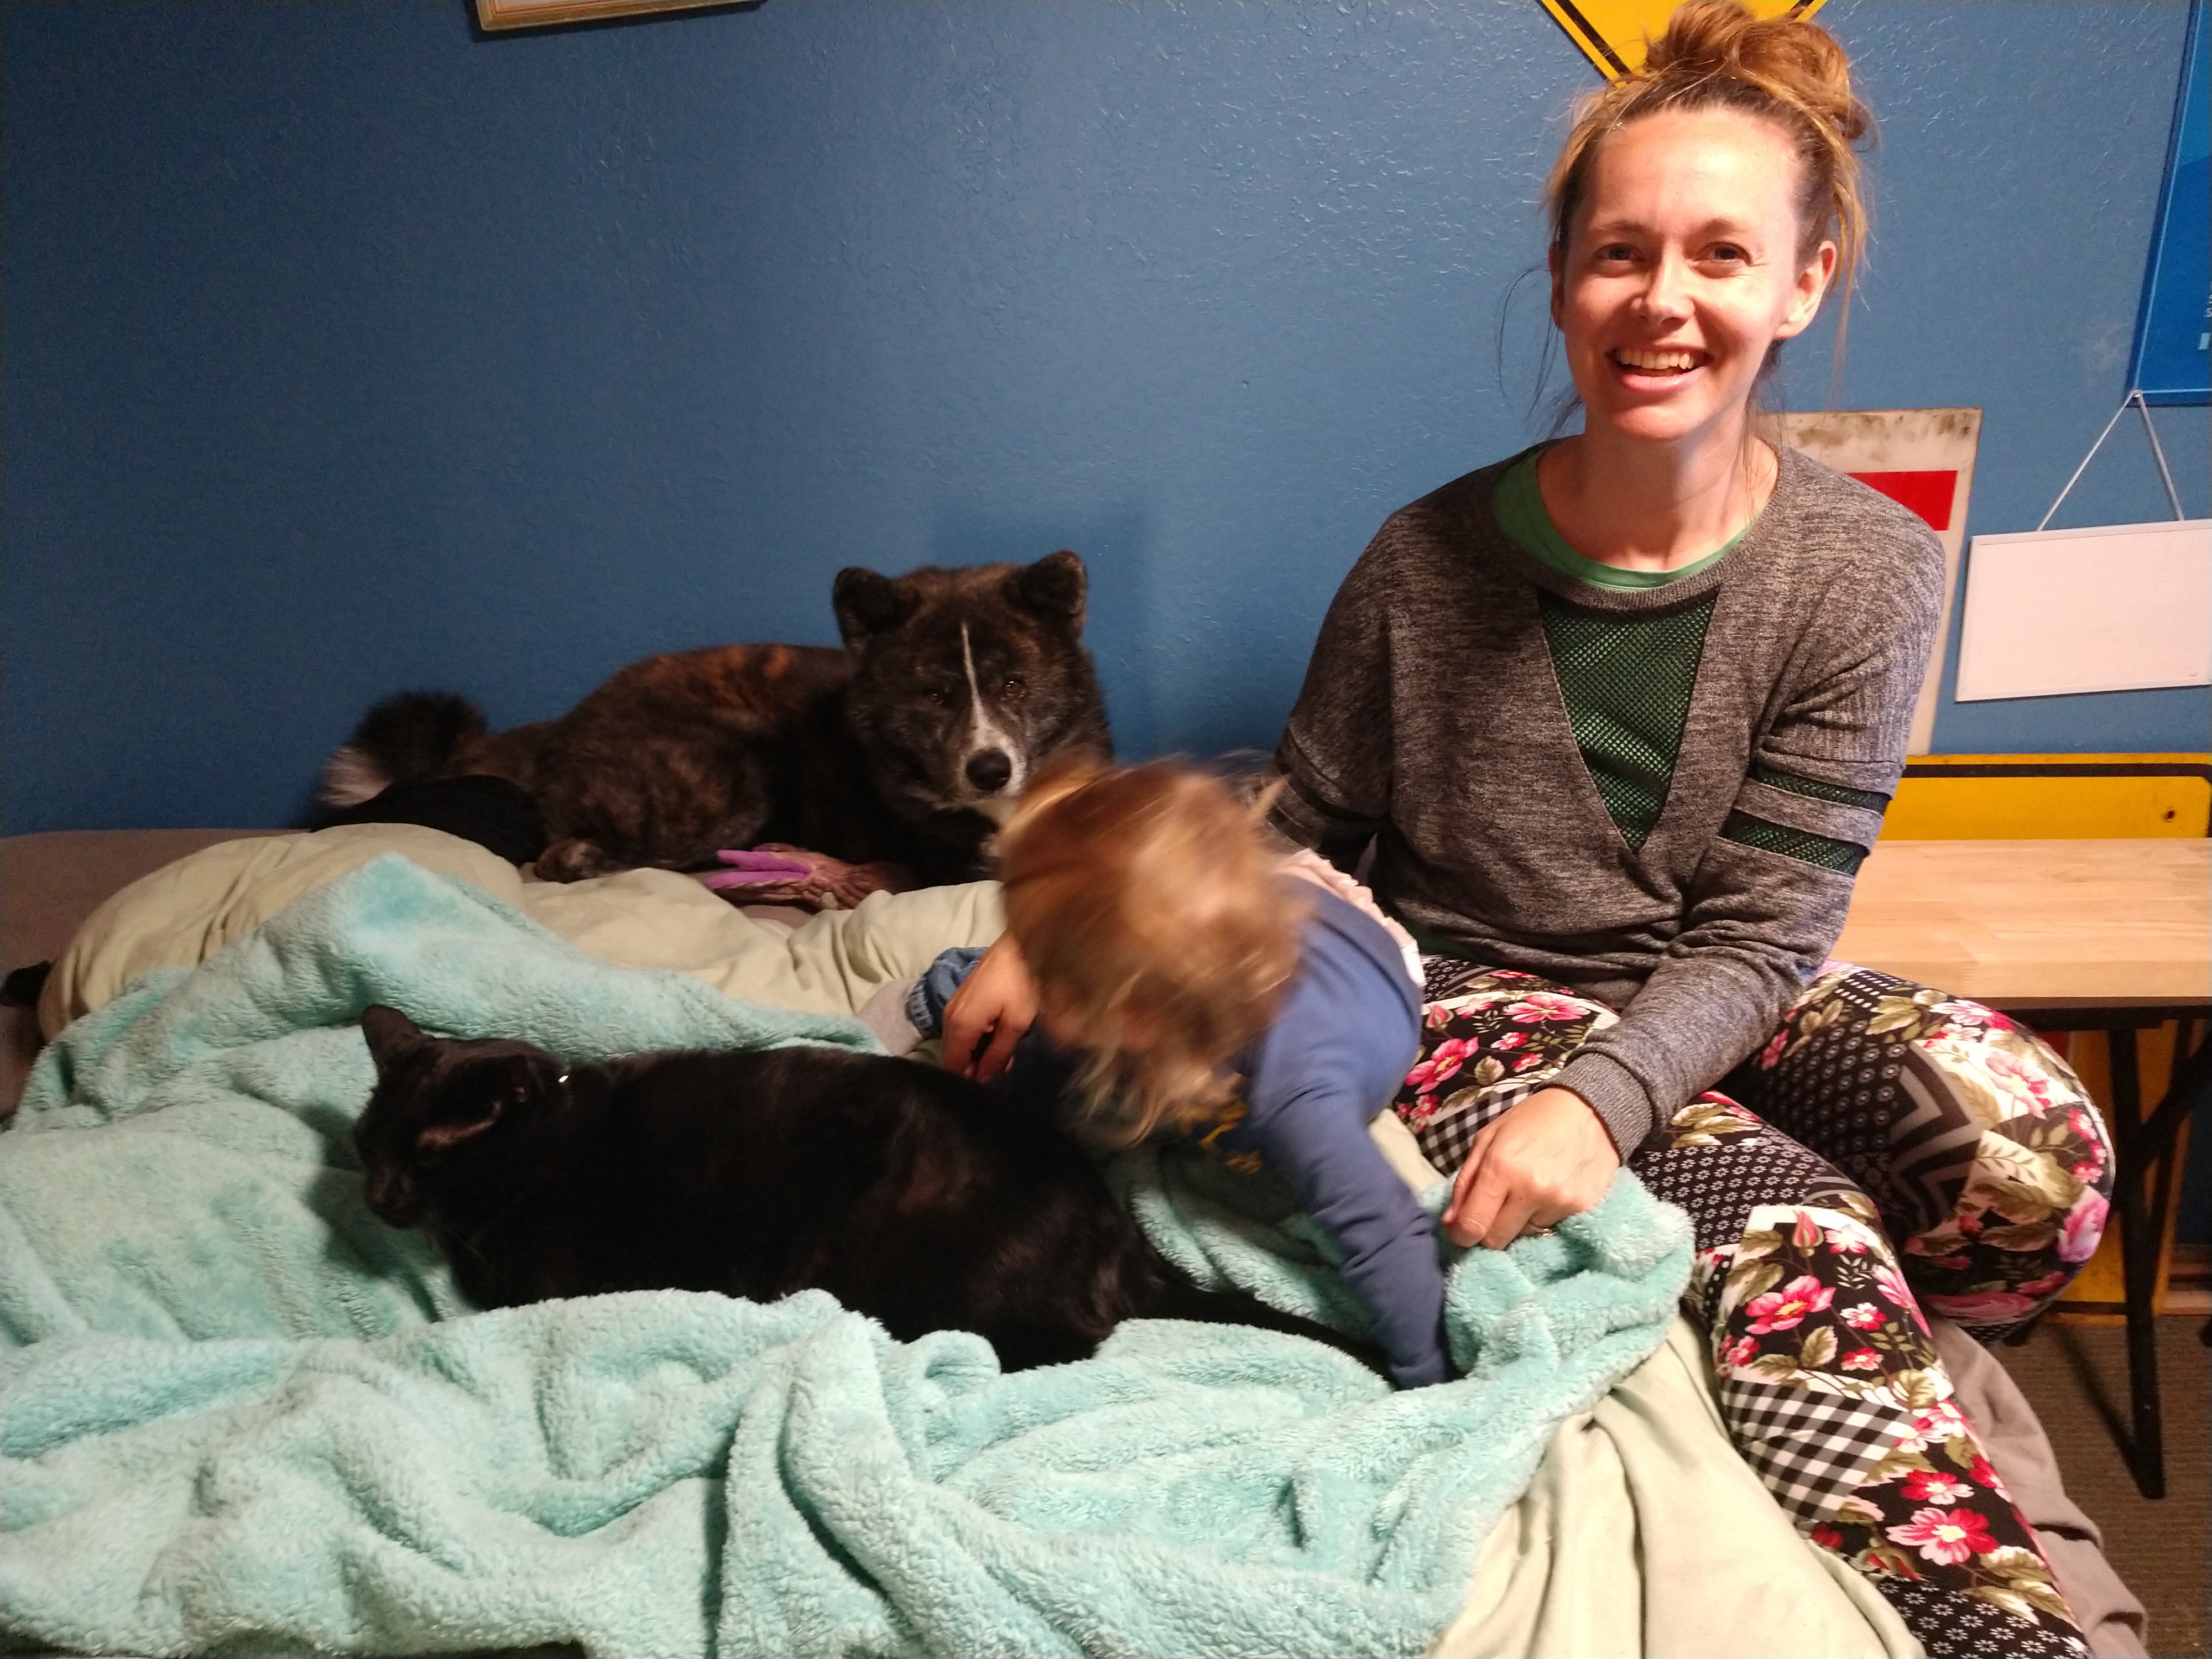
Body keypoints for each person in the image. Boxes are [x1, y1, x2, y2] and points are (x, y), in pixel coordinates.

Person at [950, 6, 2117, 1653]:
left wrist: (1609, 1099)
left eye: (1720, 254)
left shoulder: (1868, 569)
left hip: (1713, 983)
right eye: (1618, 252)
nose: (1661, 299)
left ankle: (1818, 1303)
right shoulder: (1419, 561)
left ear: (1801, 283)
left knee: (2035, 1157)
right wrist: (1062, 934)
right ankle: (1983, 1615)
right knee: (1798, 1228)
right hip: (1468, 989)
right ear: (1564, 278)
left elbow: (1765, 929)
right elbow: (1297, 837)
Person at [911, 757, 1448, 1387]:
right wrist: (996, 1132)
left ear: (1133, 1015)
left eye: (1036, 967)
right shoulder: (1129, 1001)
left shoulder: (1299, 1095)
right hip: (1270, 906)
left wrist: (1426, 1377)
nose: (1026, 977)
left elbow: (1386, 1238)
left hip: (1371, 960)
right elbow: (1039, 1072)